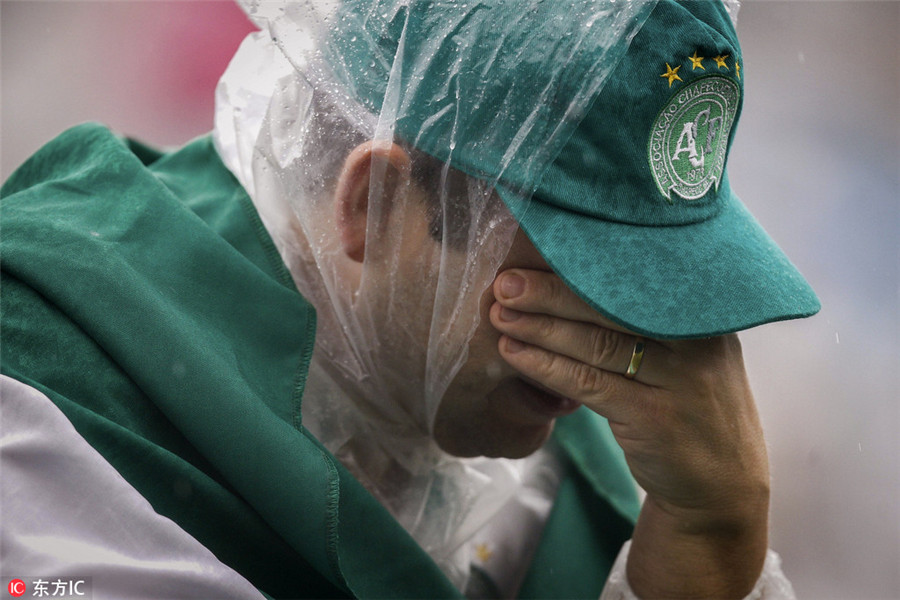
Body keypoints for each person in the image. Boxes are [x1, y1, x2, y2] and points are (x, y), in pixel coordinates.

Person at [1, 0, 819, 598]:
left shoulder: (623, 473)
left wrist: (717, 540)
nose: (629, 332)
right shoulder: (47, 402)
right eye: (581, 270)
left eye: (652, 279)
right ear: (377, 204)